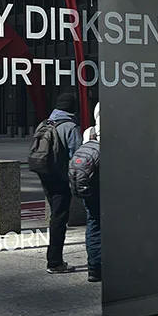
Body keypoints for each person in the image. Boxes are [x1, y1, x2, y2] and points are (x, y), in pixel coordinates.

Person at [36, 92, 81, 274]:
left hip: (45, 173)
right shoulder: (70, 127)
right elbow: (77, 156)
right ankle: (55, 262)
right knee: (59, 218)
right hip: (60, 177)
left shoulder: (44, 123)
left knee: (56, 215)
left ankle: (54, 259)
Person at [81, 103, 103, 283]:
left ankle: (94, 268)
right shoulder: (121, 131)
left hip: (90, 185)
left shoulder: (89, 132)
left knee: (93, 224)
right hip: (109, 186)